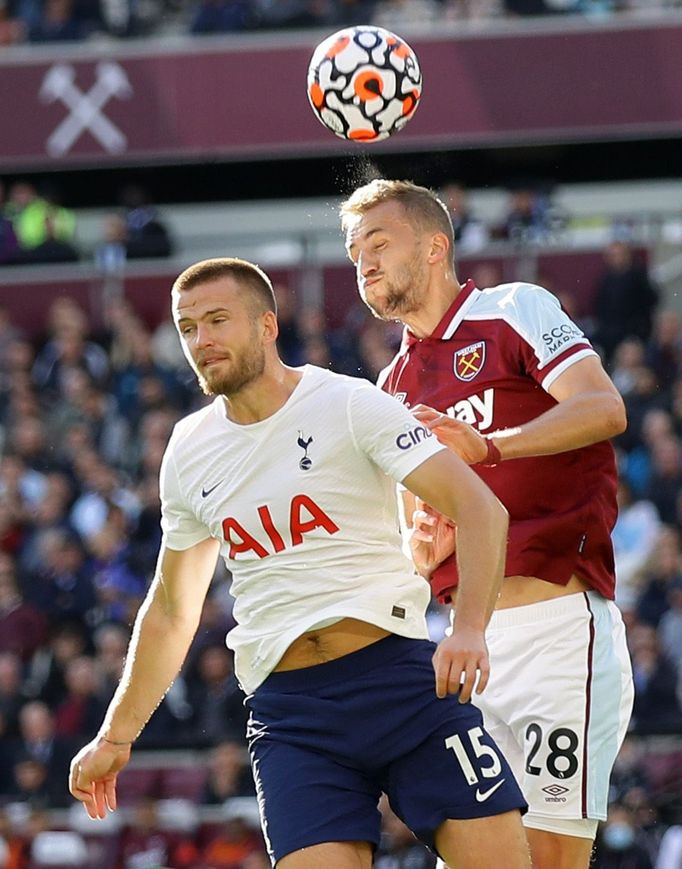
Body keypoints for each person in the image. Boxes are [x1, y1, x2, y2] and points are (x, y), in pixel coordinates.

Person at [68, 256, 530, 869]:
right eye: (187, 329)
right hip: (291, 718)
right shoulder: (187, 449)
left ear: (266, 325)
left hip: (400, 681)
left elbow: (480, 509)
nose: (201, 341)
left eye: (216, 320)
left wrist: (469, 629)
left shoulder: (348, 403)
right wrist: (115, 734)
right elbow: (174, 609)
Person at [339, 179, 634, 869]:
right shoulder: (389, 389)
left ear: (436, 245)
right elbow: (416, 534)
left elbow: (603, 407)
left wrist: (491, 443)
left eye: (380, 245)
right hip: (465, 653)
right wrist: (419, 550)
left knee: (550, 861)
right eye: (356, 255)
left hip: (559, 631)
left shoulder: (515, 309)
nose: (366, 265)